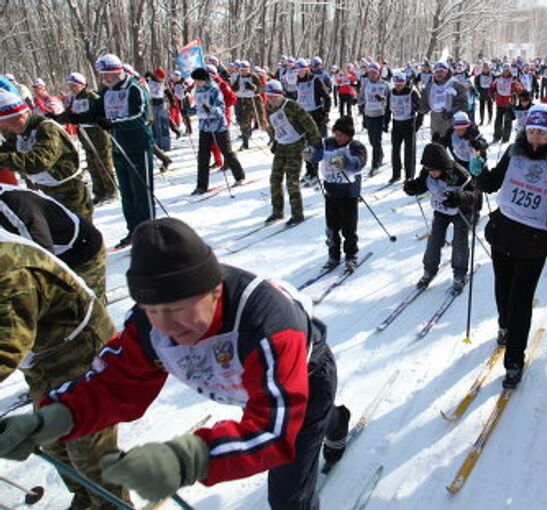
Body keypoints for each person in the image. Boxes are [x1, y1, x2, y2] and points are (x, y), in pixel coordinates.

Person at [0, 217, 350, 509]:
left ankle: (327, 422)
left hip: (304, 375)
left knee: (291, 491)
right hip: (243, 383)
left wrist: (186, 459)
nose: (166, 326)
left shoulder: (268, 326)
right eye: (153, 310)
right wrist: (50, 420)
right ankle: (333, 421)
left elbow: (273, 431)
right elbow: (114, 386)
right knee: (313, 420)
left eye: (178, 308)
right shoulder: (148, 327)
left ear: (214, 290)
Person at [0, 229, 128, 510]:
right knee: (53, 443)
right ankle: (85, 499)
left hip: (79, 346)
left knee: (88, 451)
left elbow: (7, 345)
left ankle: (112, 505)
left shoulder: (6, 267)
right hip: (39, 357)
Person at [471, 103, 547, 388]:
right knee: (502, 288)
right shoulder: (514, 153)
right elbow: (492, 183)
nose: (535, 138)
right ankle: (504, 325)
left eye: (542, 134)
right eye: (532, 131)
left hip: (533, 240)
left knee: (521, 300)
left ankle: (514, 360)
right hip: (503, 230)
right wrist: (479, 172)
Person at [83, 53, 154, 249]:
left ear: (117, 72)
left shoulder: (134, 88)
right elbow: (95, 113)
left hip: (138, 146)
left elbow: (140, 117)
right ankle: (133, 230)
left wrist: (112, 123)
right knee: (128, 194)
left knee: (142, 193)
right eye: (102, 75)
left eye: (107, 74)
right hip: (118, 147)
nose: (104, 79)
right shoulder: (106, 92)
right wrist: (69, 116)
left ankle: (149, 233)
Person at [0, 183, 108, 303]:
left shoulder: (14, 206)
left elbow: (42, 259)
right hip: (51, 255)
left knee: (84, 309)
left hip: (81, 252)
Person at [0, 90, 94, 221]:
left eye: (2, 122)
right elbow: (5, 151)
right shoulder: (19, 133)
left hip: (69, 192)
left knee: (83, 235)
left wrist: (4, 159)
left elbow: (39, 162)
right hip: (47, 190)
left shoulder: (46, 129)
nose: (2, 128)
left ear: (16, 116)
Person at [403, 143, 478, 293]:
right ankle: (429, 269)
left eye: (434, 170)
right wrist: (413, 187)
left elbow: (475, 195)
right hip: (441, 210)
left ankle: (459, 273)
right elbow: (422, 184)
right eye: (427, 169)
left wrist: (459, 197)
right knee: (434, 240)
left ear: (443, 165)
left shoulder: (459, 174)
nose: (431, 173)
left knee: (459, 242)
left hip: (460, 211)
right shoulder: (428, 171)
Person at [312, 116, 367, 271]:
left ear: (349, 135)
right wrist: (310, 153)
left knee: (348, 228)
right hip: (331, 192)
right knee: (331, 228)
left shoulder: (355, 146)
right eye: (336, 133)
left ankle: (351, 255)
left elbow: (358, 163)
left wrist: (344, 161)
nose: (338, 137)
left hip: (348, 194)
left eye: (341, 134)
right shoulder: (327, 143)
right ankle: (333, 255)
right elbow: (315, 152)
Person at [263, 80, 322, 226]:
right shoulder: (269, 108)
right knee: (275, 179)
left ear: (280, 94)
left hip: (296, 144)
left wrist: (315, 144)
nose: (271, 100)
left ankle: (297, 214)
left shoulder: (291, 106)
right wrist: (275, 142)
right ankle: (277, 211)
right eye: (268, 96)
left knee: (291, 181)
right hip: (281, 145)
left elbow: (309, 124)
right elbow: (275, 127)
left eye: (274, 96)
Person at [60, 72, 117, 205]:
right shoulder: (74, 99)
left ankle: (111, 190)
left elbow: (99, 113)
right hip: (84, 136)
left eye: (74, 85)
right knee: (92, 165)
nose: (72, 88)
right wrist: (55, 116)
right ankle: (99, 192)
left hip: (98, 135)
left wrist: (83, 117)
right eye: (71, 86)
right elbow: (69, 116)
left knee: (103, 164)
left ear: (81, 84)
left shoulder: (91, 96)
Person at [190, 67, 246, 195]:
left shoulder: (214, 89)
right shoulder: (197, 90)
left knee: (226, 151)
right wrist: (189, 111)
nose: (196, 84)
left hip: (218, 126)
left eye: (198, 81)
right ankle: (201, 185)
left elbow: (221, 107)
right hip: (204, 127)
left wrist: (211, 109)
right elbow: (198, 107)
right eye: (195, 81)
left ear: (204, 80)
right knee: (203, 156)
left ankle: (239, 175)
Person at [295, 58, 332, 185]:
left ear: (307, 69)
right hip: (302, 115)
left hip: (315, 114)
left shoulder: (316, 80)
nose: (299, 73)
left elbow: (327, 97)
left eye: (301, 70)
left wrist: (326, 113)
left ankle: (315, 173)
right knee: (305, 145)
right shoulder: (298, 81)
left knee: (313, 144)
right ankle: (309, 171)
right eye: (297, 71)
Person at [419, 61, 468, 142]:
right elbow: (424, 105)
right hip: (436, 124)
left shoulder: (456, 85)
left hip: (454, 123)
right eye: (436, 72)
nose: (439, 74)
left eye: (442, 71)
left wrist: (452, 112)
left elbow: (464, 104)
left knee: (454, 151)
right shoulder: (430, 87)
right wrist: (415, 106)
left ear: (447, 71)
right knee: (437, 151)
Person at [386, 71, 421, 183]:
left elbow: (420, 110)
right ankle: (396, 174)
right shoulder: (391, 93)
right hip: (396, 124)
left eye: (401, 84)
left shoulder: (411, 92)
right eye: (396, 84)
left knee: (409, 151)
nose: (398, 86)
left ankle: (409, 175)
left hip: (409, 123)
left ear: (405, 82)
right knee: (395, 150)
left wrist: (418, 125)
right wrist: (385, 123)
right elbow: (387, 109)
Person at [358, 63, 390, 173]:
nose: (372, 75)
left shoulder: (385, 84)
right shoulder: (366, 84)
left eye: (374, 73)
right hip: (368, 114)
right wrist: (357, 101)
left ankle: (375, 164)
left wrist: (383, 100)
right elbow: (361, 97)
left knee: (376, 140)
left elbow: (390, 101)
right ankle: (380, 154)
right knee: (372, 140)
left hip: (380, 115)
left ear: (379, 73)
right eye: (370, 73)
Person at [231, 61, 264, 151]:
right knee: (244, 122)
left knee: (262, 119)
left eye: (245, 70)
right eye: (242, 70)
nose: (244, 72)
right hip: (243, 100)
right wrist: (233, 88)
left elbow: (261, 89)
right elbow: (233, 87)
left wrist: (253, 87)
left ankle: (273, 138)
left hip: (254, 100)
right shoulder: (239, 77)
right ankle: (245, 143)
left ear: (249, 69)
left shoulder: (254, 77)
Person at [490, 64, 517, 143]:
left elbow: (519, 89)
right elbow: (491, 87)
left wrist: (516, 88)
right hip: (500, 102)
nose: (506, 72)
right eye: (504, 70)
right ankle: (497, 136)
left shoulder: (514, 78)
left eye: (507, 70)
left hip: (509, 102)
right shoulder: (498, 78)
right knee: (498, 120)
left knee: (508, 121)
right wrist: (492, 96)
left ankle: (506, 138)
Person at [474, 60, 495, 125]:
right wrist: (479, 90)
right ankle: (482, 120)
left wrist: (493, 92)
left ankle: (490, 120)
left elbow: (495, 84)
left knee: (490, 108)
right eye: (484, 68)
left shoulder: (492, 75)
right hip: (482, 93)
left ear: (489, 68)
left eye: (487, 68)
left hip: (490, 93)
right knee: (481, 108)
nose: (485, 69)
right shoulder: (478, 76)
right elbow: (476, 84)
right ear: (482, 69)